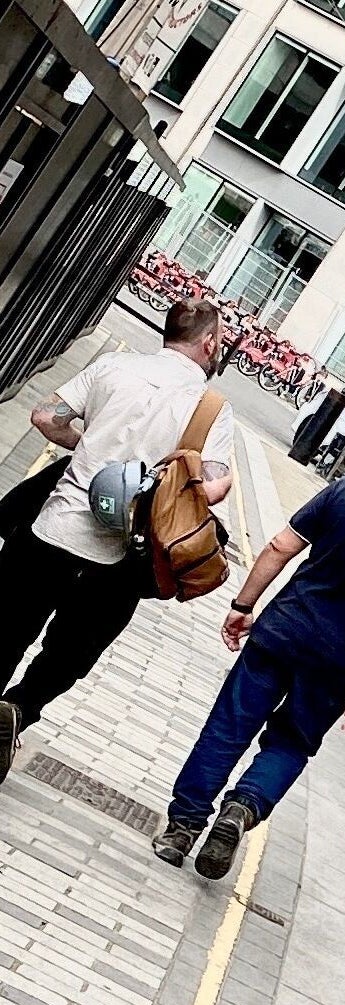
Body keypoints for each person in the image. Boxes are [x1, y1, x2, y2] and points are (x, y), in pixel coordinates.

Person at [154, 444, 345, 880]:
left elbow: (281, 546)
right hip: (340, 665)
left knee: (229, 726)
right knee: (292, 744)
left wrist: (243, 604)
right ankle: (244, 806)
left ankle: (181, 830)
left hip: (282, 633)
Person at [0, 301, 235, 780]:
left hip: (52, 530)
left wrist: (84, 447)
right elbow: (216, 485)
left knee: (5, 629)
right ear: (209, 343)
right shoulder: (210, 409)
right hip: (122, 558)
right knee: (73, 653)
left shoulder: (113, 365)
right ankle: (20, 709)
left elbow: (45, 417)